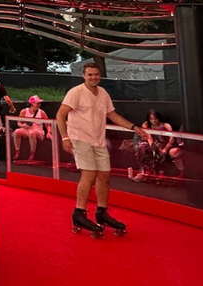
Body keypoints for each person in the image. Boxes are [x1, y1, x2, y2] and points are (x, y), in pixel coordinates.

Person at [57, 62, 150, 235]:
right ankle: (79, 212)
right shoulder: (76, 92)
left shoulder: (103, 93)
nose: (93, 77)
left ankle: (101, 211)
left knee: (105, 175)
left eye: (96, 74)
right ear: (84, 75)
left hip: (98, 140)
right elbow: (60, 114)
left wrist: (134, 127)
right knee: (89, 174)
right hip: (80, 138)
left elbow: (112, 115)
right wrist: (65, 137)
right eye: (90, 74)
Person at [13, 95, 49, 161]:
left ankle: (32, 154)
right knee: (17, 131)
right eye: (37, 103)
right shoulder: (23, 111)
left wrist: (49, 132)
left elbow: (48, 124)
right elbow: (19, 123)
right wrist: (23, 126)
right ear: (32, 103)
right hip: (27, 130)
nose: (39, 105)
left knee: (32, 133)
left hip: (38, 130)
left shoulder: (42, 113)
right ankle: (17, 152)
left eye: (39, 103)